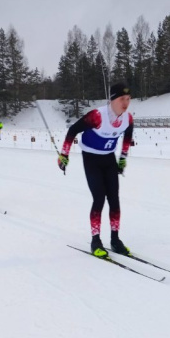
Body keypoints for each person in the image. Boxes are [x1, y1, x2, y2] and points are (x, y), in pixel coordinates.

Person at [58, 82, 133, 258]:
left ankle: (115, 240)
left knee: (114, 199)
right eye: (122, 99)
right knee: (99, 198)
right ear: (112, 100)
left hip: (109, 158)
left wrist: (123, 158)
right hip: (91, 158)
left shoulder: (127, 119)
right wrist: (64, 154)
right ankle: (96, 241)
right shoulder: (97, 116)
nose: (125, 103)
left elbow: (127, 138)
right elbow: (73, 130)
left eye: (128, 99)